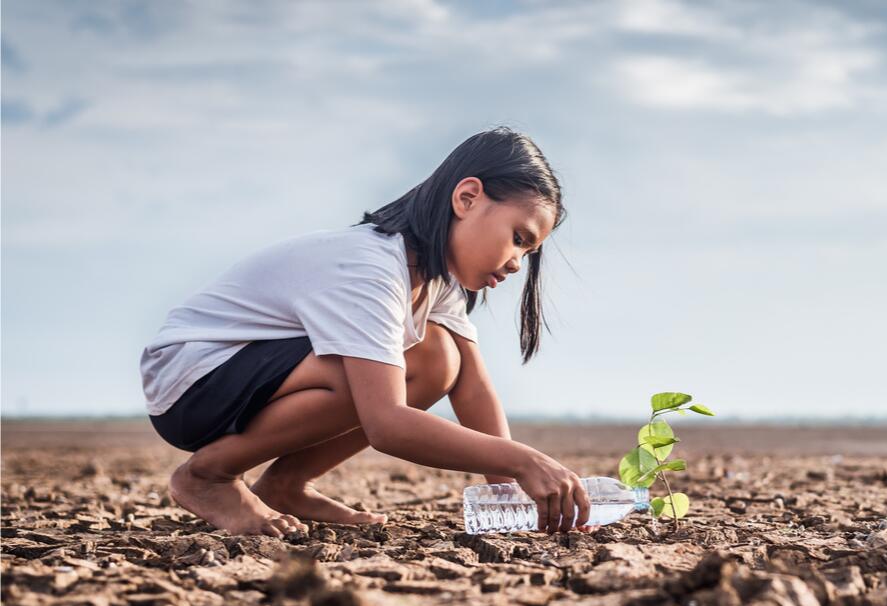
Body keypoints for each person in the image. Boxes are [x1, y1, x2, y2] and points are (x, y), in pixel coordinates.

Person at [139, 126, 591, 537]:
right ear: (467, 198)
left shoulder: (434, 279)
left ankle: (286, 484)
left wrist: (510, 496)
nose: (517, 263)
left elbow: (473, 388)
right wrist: (523, 460)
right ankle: (208, 476)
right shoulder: (371, 267)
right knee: (367, 371)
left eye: (528, 253)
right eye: (518, 238)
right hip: (193, 380)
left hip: (247, 376)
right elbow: (387, 424)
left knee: (437, 358)